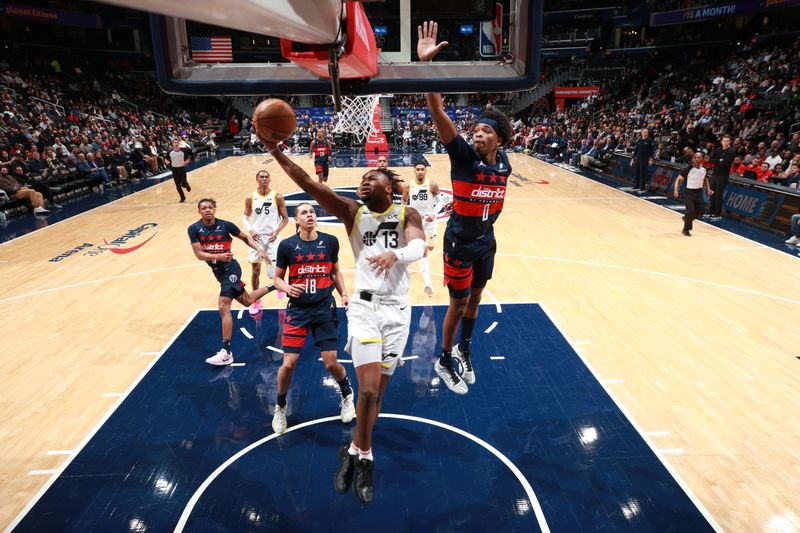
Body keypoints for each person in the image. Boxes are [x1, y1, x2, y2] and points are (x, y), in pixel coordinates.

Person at [264, 135, 426, 505]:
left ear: (390, 186)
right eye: (363, 179)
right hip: (366, 309)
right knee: (366, 392)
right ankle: (366, 459)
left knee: (378, 400)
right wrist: (275, 151)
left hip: (398, 313)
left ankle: (353, 450)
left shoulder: (406, 214)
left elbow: (418, 246)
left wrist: (396, 255)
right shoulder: (353, 212)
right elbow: (307, 182)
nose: (364, 182)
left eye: (373, 178)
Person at [419, 21, 513, 395]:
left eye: (485, 130)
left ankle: (465, 348)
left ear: (500, 140)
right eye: (475, 128)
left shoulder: (504, 162)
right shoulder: (462, 156)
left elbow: (498, 199)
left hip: (485, 242)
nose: (477, 132)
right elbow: (439, 111)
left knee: (475, 300)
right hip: (458, 241)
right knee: (457, 306)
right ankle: (443, 359)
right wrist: (427, 67)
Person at [270, 202, 354, 435]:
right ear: (296, 220)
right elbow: (277, 278)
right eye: (304, 213)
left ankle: (347, 395)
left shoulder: (330, 241)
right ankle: (280, 406)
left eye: (312, 212)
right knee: (288, 365)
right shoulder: (287, 246)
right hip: (297, 311)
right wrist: (286, 287)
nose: (310, 215)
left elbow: (335, 271)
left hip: (324, 308)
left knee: (330, 363)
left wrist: (344, 294)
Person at [188, 198, 276, 366]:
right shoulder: (194, 229)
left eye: (210, 207)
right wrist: (217, 256)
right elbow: (199, 254)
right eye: (204, 208)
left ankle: (226, 352)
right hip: (218, 272)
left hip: (231, 270)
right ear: (199, 211)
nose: (207, 210)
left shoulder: (226, 225)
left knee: (223, 305)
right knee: (247, 300)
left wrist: (260, 250)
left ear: (215, 209)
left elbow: (246, 238)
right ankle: (275, 285)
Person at [242, 169, 289, 315]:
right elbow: (245, 217)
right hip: (256, 239)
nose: (264, 179)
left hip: (272, 238)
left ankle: (280, 287)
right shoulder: (251, 197)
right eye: (261, 177)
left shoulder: (277, 196)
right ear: (257, 179)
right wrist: (251, 230)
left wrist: (277, 231)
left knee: (275, 271)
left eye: (266, 177)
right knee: (255, 271)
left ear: (270, 180)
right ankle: (256, 300)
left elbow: (285, 219)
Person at [402, 161, 442, 295]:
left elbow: (440, 202)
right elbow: (403, 200)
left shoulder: (432, 184)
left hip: (430, 222)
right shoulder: (408, 185)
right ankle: (428, 284)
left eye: (422, 169)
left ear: (426, 171)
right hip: (415, 221)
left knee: (429, 247)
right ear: (414, 171)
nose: (420, 171)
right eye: (417, 169)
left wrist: (434, 214)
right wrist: (404, 214)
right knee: (423, 252)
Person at [673, 153, 713, 236]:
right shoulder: (688, 168)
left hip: (699, 192)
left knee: (701, 211)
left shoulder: (704, 169)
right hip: (689, 193)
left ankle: (686, 218)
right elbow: (678, 179)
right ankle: (686, 229)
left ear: (702, 158)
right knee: (690, 211)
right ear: (693, 159)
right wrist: (676, 190)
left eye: (699, 157)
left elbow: (705, 179)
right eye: (695, 158)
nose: (697, 159)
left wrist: (708, 189)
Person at [708, 134, 735, 220]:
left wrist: (718, 161)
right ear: (721, 141)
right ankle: (711, 211)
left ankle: (717, 212)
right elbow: (711, 159)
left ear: (730, 142)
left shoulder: (731, 151)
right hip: (715, 174)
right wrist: (719, 160)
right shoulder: (718, 150)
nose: (725, 142)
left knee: (718, 194)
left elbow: (725, 163)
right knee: (712, 192)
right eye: (724, 141)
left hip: (723, 175)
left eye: (727, 141)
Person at [630, 128, 654, 192]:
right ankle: (636, 185)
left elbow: (652, 151)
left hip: (645, 159)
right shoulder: (639, 140)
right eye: (644, 132)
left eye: (646, 132)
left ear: (648, 133)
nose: (645, 133)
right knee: (637, 172)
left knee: (642, 173)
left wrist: (651, 159)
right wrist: (633, 158)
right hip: (638, 158)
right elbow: (636, 150)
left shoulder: (650, 141)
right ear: (642, 133)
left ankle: (642, 187)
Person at [169, 139, 192, 203]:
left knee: (183, 184)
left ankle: (186, 185)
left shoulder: (183, 151)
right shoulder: (170, 152)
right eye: (174, 143)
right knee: (178, 186)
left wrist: (186, 162)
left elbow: (188, 159)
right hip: (174, 170)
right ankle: (182, 198)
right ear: (172, 144)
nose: (175, 144)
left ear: (179, 144)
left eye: (177, 143)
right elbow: (166, 159)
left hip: (181, 169)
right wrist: (168, 164)